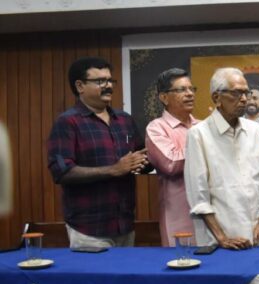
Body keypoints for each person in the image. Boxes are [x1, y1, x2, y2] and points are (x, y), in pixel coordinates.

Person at [47, 57, 150, 248]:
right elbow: (61, 172)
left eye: (110, 80)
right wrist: (113, 169)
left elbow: (139, 160)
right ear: (80, 86)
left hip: (125, 224)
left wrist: (146, 160)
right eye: (100, 81)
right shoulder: (68, 122)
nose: (108, 86)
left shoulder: (124, 120)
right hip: (88, 229)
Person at [184, 67, 259, 249]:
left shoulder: (254, 130)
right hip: (223, 242)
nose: (244, 99)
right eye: (236, 93)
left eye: (246, 93)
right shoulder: (198, 135)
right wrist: (222, 238)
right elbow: (198, 196)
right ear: (216, 98)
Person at [145, 68, 199, 246]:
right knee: (182, 261)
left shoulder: (203, 126)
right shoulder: (157, 128)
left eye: (191, 89)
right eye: (182, 89)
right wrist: (206, 150)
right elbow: (171, 164)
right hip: (179, 215)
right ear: (164, 97)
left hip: (212, 213)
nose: (190, 94)